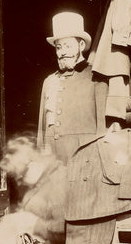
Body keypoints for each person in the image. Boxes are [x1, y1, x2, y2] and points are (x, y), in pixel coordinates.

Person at [37, 11, 106, 164]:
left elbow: (103, 130)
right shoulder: (49, 81)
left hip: (85, 165)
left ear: (81, 45)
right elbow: (42, 134)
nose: (62, 52)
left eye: (68, 46)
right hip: (55, 166)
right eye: (58, 47)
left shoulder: (96, 78)